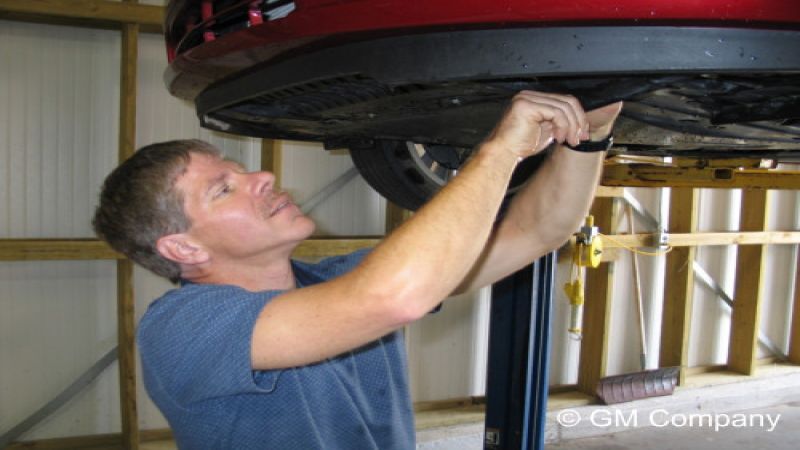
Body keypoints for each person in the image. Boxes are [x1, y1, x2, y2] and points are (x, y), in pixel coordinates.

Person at [93, 91, 622, 449]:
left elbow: (537, 232)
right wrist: (500, 148)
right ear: (183, 249)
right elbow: (395, 298)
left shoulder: (339, 280)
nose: (263, 176)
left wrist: (590, 137)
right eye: (224, 189)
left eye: (241, 169)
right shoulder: (181, 328)